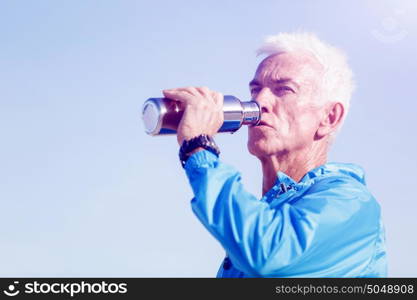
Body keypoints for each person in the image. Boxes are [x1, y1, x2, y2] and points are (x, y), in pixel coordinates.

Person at [162, 32, 387, 277]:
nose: (260, 101)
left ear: (329, 117)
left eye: (284, 90)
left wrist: (198, 146)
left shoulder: (350, 203)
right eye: (255, 89)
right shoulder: (262, 216)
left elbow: (268, 255)